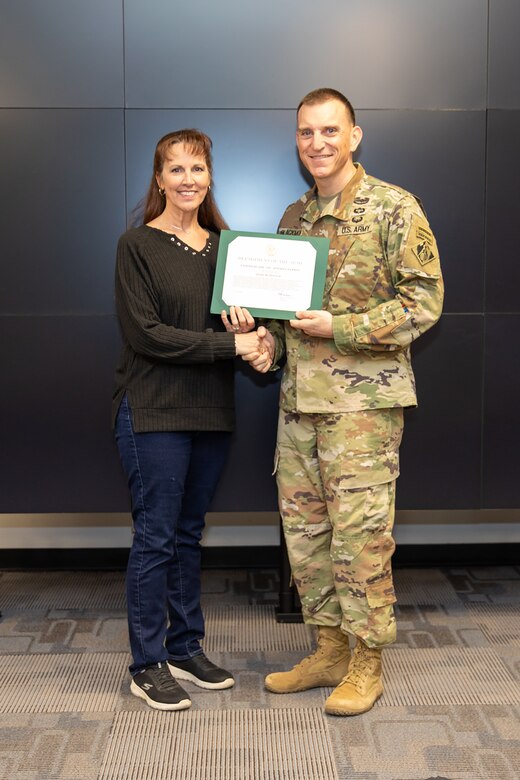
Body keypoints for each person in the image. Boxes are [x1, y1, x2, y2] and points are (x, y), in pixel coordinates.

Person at [257, 88, 444, 715]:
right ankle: (330, 648)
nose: (318, 143)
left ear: (355, 135)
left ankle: (368, 661)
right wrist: (264, 344)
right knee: (308, 537)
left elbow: (424, 303)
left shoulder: (394, 209)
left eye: (330, 130)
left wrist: (340, 327)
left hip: (361, 412)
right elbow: (287, 321)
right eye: (307, 132)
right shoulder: (292, 217)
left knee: (361, 538)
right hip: (299, 408)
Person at [113, 128, 270, 711]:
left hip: (211, 410)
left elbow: (254, 329)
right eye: (175, 169)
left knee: (186, 534)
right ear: (159, 180)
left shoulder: (229, 248)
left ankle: (184, 646)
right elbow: (147, 336)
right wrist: (231, 349)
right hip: (152, 409)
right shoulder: (136, 244)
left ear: (209, 177)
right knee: (155, 536)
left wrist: (252, 337)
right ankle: (146, 661)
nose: (187, 179)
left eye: (197, 169)